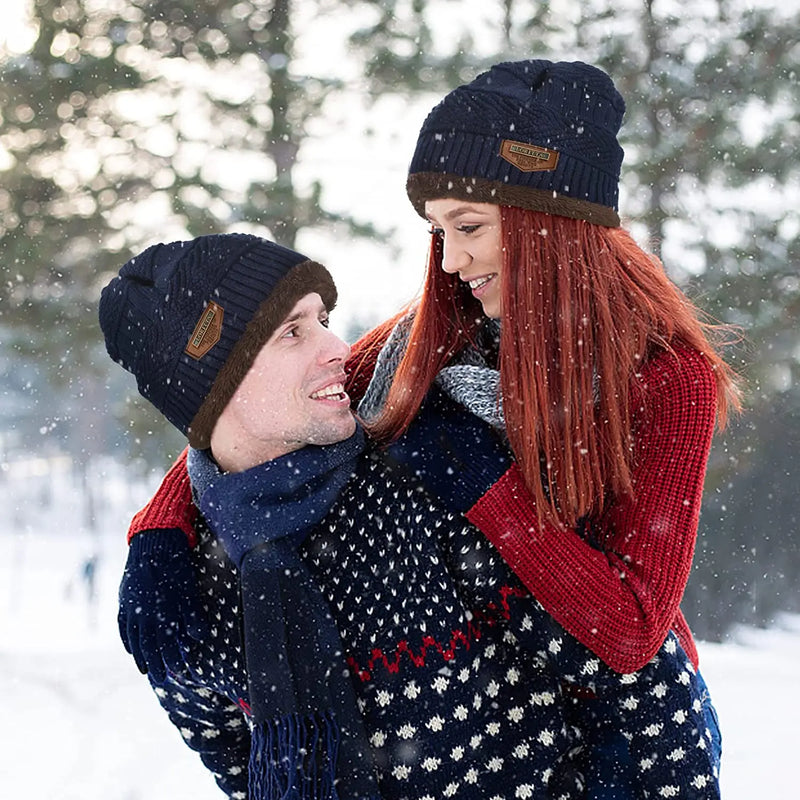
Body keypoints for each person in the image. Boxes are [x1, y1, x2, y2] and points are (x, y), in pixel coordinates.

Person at [115, 57, 735, 799]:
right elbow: (249, 404)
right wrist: (160, 532)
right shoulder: (429, 337)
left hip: (631, 725)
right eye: (437, 230)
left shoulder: (668, 380)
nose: (450, 258)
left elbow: (632, 632)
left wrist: (489, 491)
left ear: (553, 225)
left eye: (468, 226)